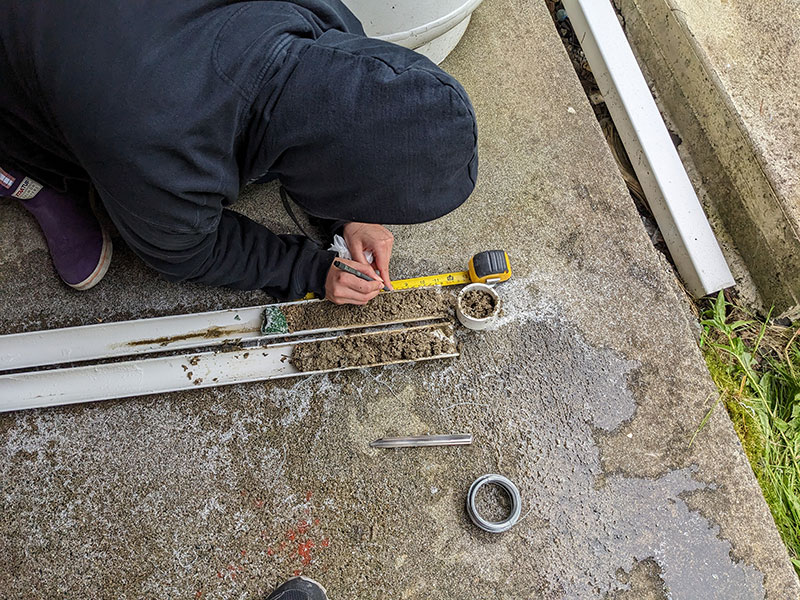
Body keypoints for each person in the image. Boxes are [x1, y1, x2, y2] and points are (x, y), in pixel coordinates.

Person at [0, 0, 478, 304]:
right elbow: (188, 251)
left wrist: (347, 216)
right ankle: (28, 182)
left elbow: (332, 112)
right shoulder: (164, 151)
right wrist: (306, 268)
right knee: (55, 159)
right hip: (22, 75)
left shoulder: (332, 22)